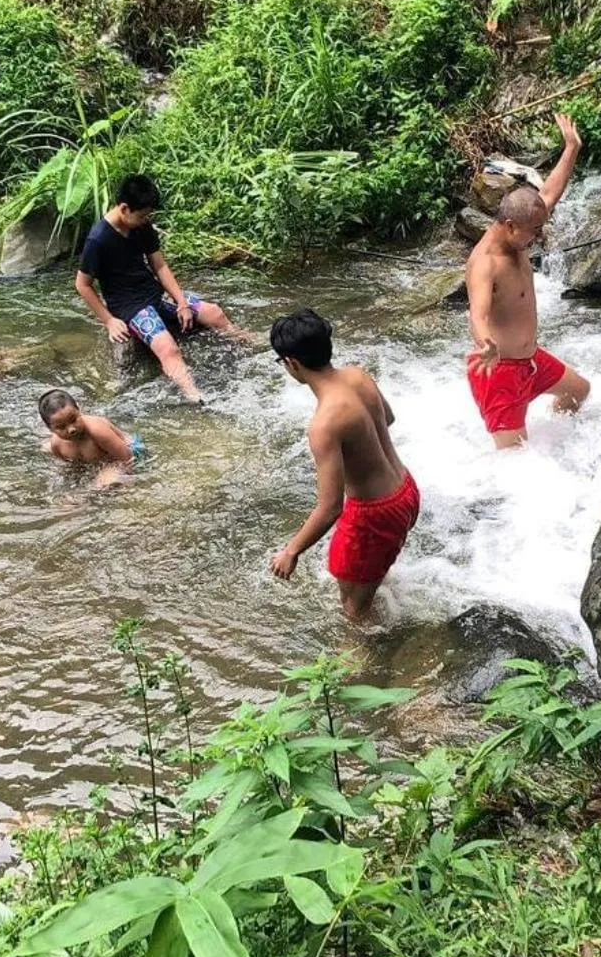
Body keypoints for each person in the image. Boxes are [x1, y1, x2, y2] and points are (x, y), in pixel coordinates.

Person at [267, 308, 419, 623]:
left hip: (374, 514)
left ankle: (365, 669)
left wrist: (291, 552)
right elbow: (388, 419)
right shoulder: (358, 376)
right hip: (406, 490)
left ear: (292, 363)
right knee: (370, 581)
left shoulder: (324, 424)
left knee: (353, 612)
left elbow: (331, 507)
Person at [464, 110, 592, 447]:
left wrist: (571, 148)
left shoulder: (521, 224)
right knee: (513, 465)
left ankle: (546, 442)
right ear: (510, 226)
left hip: (530, 361)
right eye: (535, 232)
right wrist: (485, 344)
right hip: (499, 372)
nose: (539, 236)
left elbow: (548, 193)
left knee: (579, 392)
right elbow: (477, 313)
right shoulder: (485, 263)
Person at [75, 173, 245, 404]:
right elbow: (82, 284)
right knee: (168, 348)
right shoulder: (98, 240)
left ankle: (249, 342)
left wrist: (181, 302)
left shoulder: (141, 227)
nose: (146, 220)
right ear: (124, 208)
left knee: (214, 312)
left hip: (153, 292)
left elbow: (160, 265)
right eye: (143, 215)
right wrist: (108, 320)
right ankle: (195, 397)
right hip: (129, 305)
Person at [37, 389, 142, 487]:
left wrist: (123, 478)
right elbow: (69, 468)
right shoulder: (56, 444)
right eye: (61, 427)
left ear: (79, 410)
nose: (71, 429)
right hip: (94, 461)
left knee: (103, 484)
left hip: (128, 450)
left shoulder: (97, 431)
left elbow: (127, 457)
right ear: (50, 429)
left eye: (73, 419)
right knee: (46, 449)